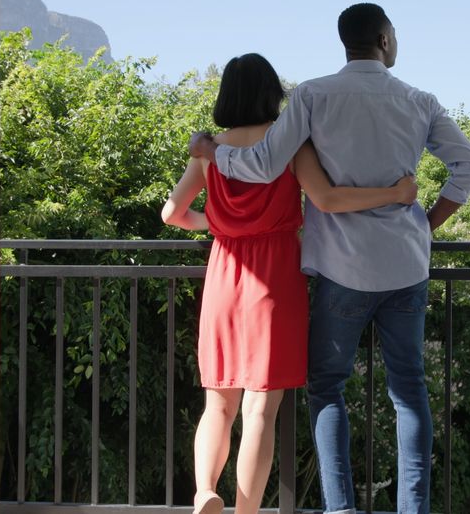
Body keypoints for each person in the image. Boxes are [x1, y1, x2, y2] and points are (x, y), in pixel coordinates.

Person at [189, 4, 470, 514]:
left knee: (327, 388)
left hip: (342, 268)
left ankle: (340, 509)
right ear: (385, 40)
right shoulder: (420, 101)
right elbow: (467, 164)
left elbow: (264, 165)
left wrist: (215, 154)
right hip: (405, 266)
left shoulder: (313, 95)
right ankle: (414, 509)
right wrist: (427, 224)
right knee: (409, 391)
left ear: (346, 43)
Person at [162, 52, 418, 514]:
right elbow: (328, 198)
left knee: (217, 403)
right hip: (274, 281)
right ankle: (246, 511)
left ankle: (204, 492)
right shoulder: (289, 145)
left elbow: (172, 214)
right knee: (260, 410)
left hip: (224, 276)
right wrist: (395, 193)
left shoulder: (208, 152)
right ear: (271, 94)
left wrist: (219, 223)